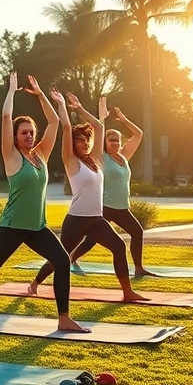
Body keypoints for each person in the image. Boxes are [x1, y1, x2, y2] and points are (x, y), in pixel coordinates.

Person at [0, 73, 88, 333]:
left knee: (62, 261)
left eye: (31, 132)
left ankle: (64, 318)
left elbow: (54, 122)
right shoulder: (12, 157)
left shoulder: (40, 155)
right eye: (24, 133)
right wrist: (12, 91)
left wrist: (40, 95)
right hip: (12, 226)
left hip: (37, 227)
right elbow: (6, 117)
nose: (29, 136)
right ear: (15, 137)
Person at [28, 92, 145, 300]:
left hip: (96, 219)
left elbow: (99, 127)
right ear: (73, 144)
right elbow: (65, 128)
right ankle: (35, 283)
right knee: (60, 257)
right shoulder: (71, 161)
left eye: (86, 140)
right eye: (79, 141)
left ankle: (127, 292)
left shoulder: (97, 160)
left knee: (118, 246)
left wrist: (80, 108)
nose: (83, 143)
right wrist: (63, 105)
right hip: (76, 220)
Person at [68, 104, 153, 276]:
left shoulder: (124, 156)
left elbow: (138, 134)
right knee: (91, 240)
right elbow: (98, 130)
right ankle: (70, 259)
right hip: (105, 207)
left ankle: (138, 268)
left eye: (117, 140)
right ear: (104, 143)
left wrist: (123, 119)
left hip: (122, 208)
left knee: (137, 232)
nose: (114, 143)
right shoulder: (102, 158)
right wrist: (101, 117)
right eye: (111, 140)